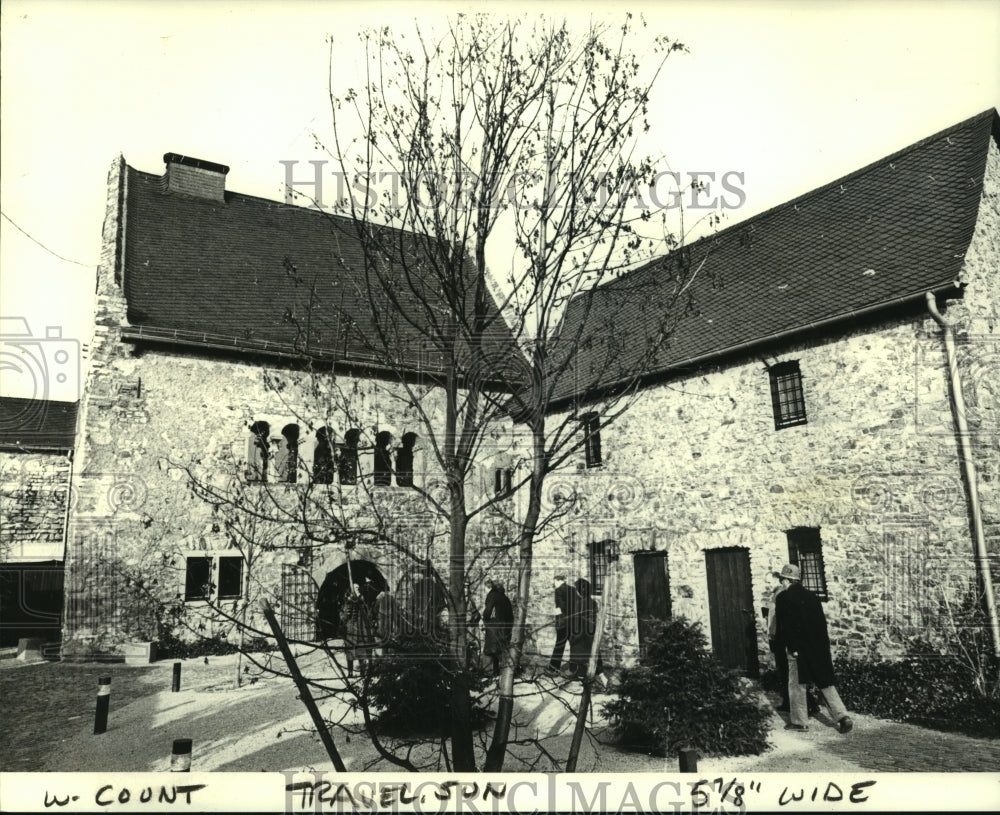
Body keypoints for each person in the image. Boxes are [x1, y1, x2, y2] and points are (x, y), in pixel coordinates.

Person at [774, 563, 853, 733]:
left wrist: (792, 647)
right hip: (818, 647)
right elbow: (820, 625)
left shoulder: (783, 598)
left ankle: (799, 721)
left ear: (787, 580)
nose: (782, 583)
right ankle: (842, 716)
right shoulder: (812, 596)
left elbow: (787, 626)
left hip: (798, 648)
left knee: (797, 684)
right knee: (825, 681)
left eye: (782, 580)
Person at [764, 578, 790, 711]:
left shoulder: (776, 603)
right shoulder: (776, 601)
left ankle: (789, 702)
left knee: (785, 671)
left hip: (779, 640)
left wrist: (772, 636)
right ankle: (788, 700)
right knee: (785, 672)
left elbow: (773, 624)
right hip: (780, 640)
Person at [482, 579, 514, 674]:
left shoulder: (492, 596)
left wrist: (485, 620)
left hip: (494, 627)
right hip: (505, 628)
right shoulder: (505, 598)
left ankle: (489, 672)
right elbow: (511, 616)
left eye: (485, 588)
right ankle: (504, 672)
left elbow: (488, 611)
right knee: (501, 651)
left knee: (489, 651)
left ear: (488, 588)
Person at [547, 574, 572, 675]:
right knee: (574, 645)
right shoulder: (572, 589)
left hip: (563, 623)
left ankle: (553, 669)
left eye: (554, 582)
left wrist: (557, 614)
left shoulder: (559, 590)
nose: (554, 584)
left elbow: (561, 607)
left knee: (559, 645)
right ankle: (574, 668)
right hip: (572, 622)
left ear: (558, 580)